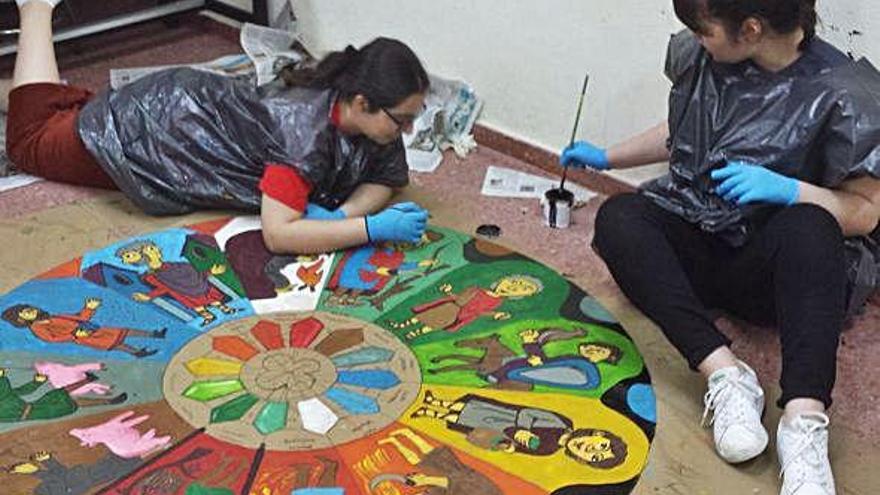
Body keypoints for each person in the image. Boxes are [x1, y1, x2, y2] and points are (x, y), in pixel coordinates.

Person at [560, 1, 880, 494]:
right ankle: (726, 373)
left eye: (704, 29)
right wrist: (607, 156)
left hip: (772, 273)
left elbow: (865, 212)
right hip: (702, 244)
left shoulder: (843, 92)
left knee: (813, 226)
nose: (694, 36)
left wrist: (790, 190)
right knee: (620, 218)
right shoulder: (705, 58)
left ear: (750, 29)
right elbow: (680, 130)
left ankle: (803, 422)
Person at [2, 0, 430, 254]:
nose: (408, 131)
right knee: (30, 140)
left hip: (188, 105)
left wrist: (343, 213)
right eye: (403, 120)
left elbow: (386, 177)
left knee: (63, 113)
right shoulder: (299, 135)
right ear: (362, 103)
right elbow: (280, 234)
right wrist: (367, 229)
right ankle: (36, 6)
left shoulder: (362, 104)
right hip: (153, 135)